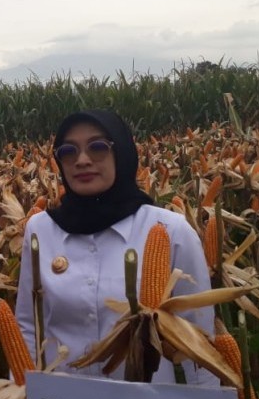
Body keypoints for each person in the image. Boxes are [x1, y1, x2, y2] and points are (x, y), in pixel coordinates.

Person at [15, 109, 217, 385]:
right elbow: (27, 325)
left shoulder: (170, 231)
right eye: (68, 151)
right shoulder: (39, 230)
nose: (82, 160)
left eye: (97, 147)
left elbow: (199, 338)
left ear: (121, 153)